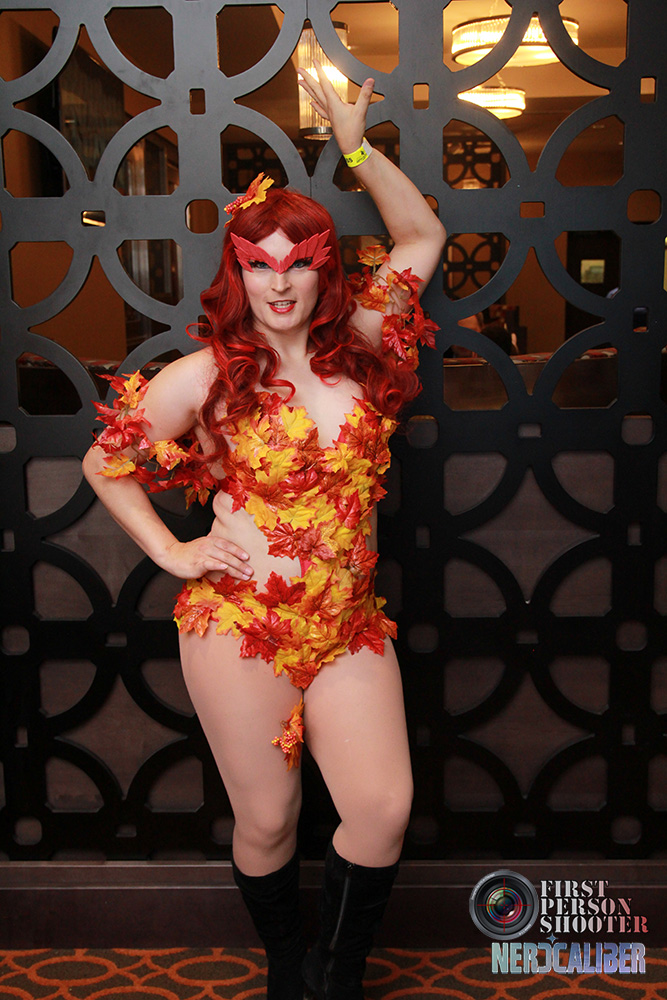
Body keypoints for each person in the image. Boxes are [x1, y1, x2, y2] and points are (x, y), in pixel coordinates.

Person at [83, 60, 445, 1000]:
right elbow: (104, 461)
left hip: (348, 623)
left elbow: (419, 234)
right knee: (270, 821)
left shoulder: (364, 342)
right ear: (237, 272)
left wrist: (356, 148)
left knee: (381, 807)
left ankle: (336, 976)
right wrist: (171, 550)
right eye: (259, 265)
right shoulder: (203, 377)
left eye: (299, 262)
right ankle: (289, 969)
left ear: (325, 268)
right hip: (240, 625)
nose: (279, 284)